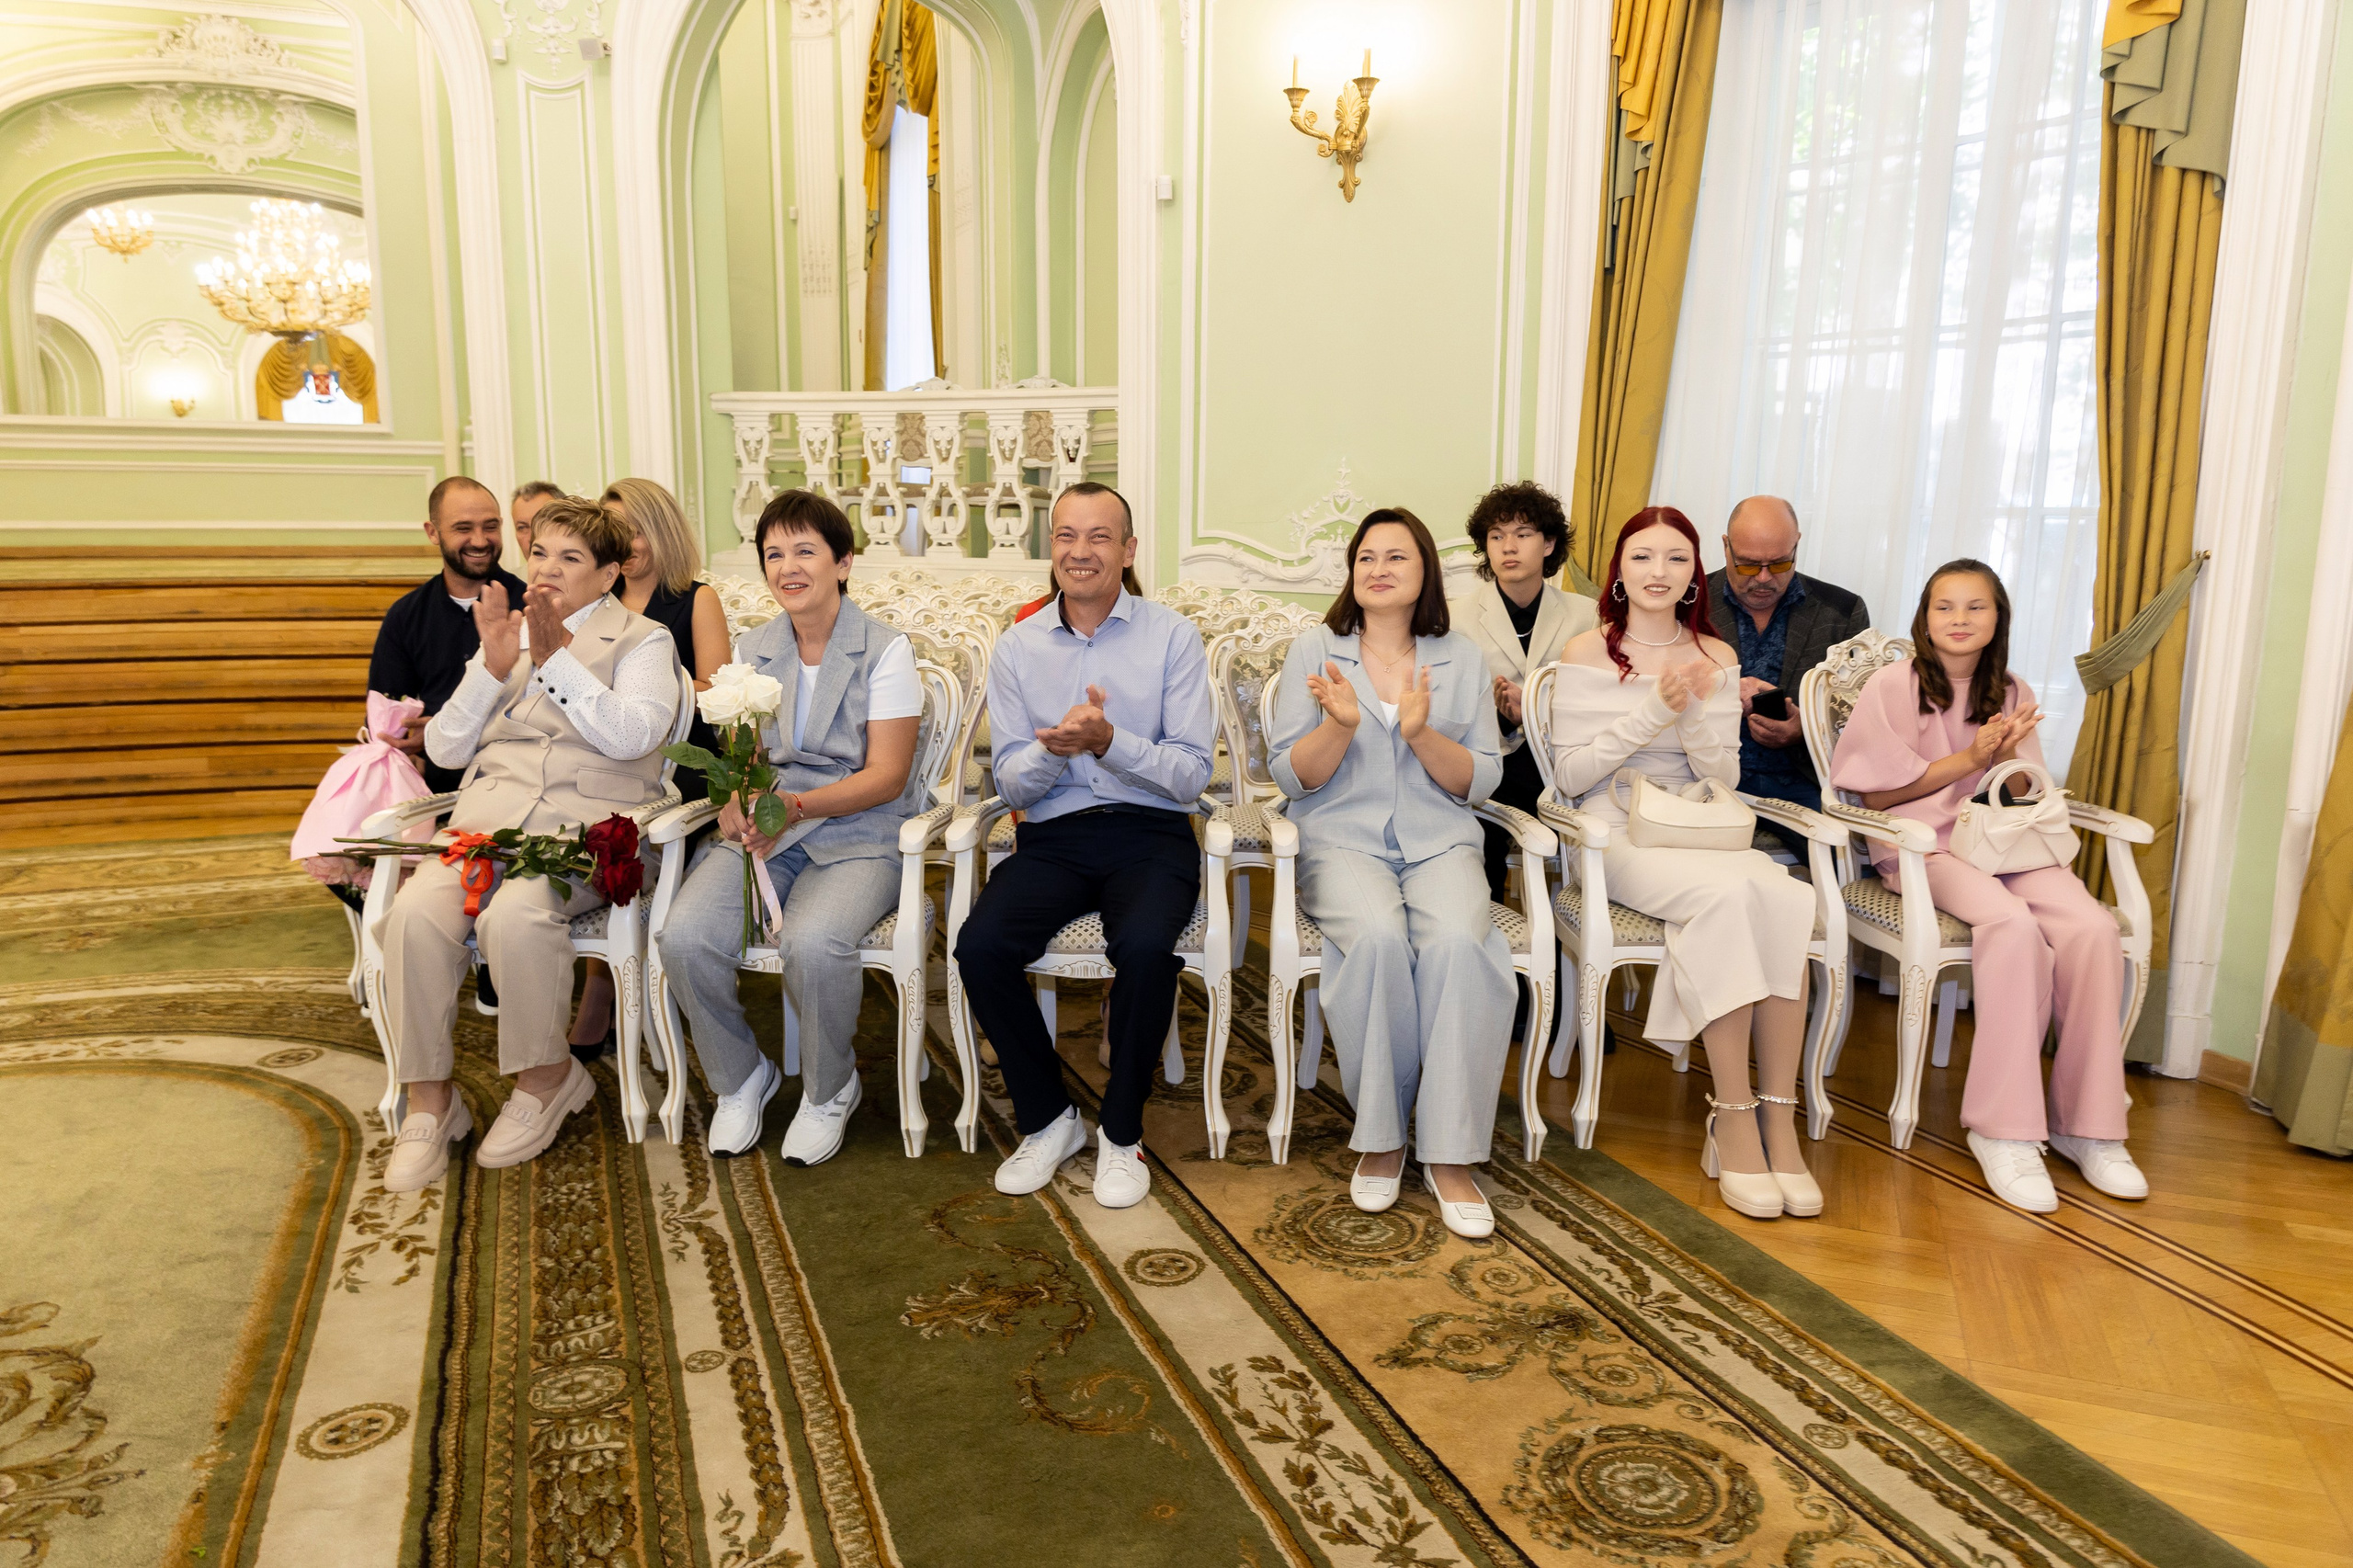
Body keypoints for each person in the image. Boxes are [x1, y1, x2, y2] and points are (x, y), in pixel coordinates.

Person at [378, 497, 683, 1192]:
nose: (547, 570)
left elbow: (636, 736)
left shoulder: (644, 641)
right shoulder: (504, 637)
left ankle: (547, 1077)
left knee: (514, 915)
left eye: (570, 558)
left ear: (608, 575)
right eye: (540, 554)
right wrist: (491, 665)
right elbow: (450, 749)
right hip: (486, 828)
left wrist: (556, 660)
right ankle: (432, 1100)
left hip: (583, 836)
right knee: (415, 916)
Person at [1828, 561, 2140, 1213]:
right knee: (2012, 926)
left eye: (1977, 607)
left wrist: (2009, 759)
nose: (1961, 620)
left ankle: (2090, 1126)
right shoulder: (1895, 685)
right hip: (1922, 846)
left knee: (2092, 929)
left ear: (1998, 618)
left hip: (2004, 843)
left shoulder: (2012, 688)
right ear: (1925, 616)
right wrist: (1968, 759)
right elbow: (1875, 791)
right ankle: (2004, 1130)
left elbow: (2024, 794)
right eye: (1947, 607)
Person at [1550, 506, 1819, 1222]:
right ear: (1620, 571)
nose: (1658, 572)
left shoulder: (1718, 658)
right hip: (1614, 831)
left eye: (1675, 558)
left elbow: (1723, 780)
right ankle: (1730, 1114)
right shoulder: (1585, 653)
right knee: (1732, 903)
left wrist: (1697, 706)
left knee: (1788, 896)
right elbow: (1572, 776)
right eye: (1643, 557)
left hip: (1700, 828)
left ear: (1694, 575)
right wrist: (1653, 712)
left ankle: (1778, 1118)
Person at [952, 482, 1216, 1210]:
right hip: (1053, 836)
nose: (1080, 550)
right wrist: (1057, 753)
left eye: (1100, 537)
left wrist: (1112, 743)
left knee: (1142, 950)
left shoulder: (1171, 637)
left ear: (1128, 551)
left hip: (1150, 833)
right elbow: (1010, 781)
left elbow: (1192, 775)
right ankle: (1049, 1118)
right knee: (980, 947)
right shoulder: (1018, 645)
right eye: (1066, 535)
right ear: (1051, 549)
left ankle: (1122, 1132)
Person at [654, 491, 926, 1165]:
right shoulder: (754, 647)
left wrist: (794, 810)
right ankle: (741, 1078)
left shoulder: (885, 651)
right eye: (774, 553)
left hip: (857, 832)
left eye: (805, 550)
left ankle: (831, 1089)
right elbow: (746, 762)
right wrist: (736, 800)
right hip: (769, 832)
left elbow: (888, 776)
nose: (788, 567)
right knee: (684, 937)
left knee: (814, 941)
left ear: (843, 563)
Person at [1269, 506, 1514, 1240]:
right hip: (1340, 838)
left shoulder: (1460, 656)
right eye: (1366, 556)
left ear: (1424, 574)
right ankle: (1382, 1137)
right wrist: (1340, 725)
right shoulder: (1315, 648)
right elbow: (1290, 774)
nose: (1378, 568)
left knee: (1459, 945)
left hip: (1441, 840)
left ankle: (1450, 1154)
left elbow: (1482, 780)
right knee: (1375, 938)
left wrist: (1420, 734)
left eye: (1397, 557)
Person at [560, 481, 734, 1059]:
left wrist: (650, 691)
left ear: (661, 530)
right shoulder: (591, 608)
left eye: (635, 528)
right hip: (598, 755)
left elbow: (718, 693)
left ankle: (603, 993)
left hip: (676, 765)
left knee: (615, 836)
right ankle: (597, 978)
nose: (625, 542)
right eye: (612, 530)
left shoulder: (694, 599)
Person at [1450, 481, 1598, 894]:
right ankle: (1487, 935)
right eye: (1496, 537)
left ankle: (1560, 946)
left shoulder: (1585, 615)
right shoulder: (1458, 618)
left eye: (1522, 534)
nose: (1507, 547)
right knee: (1479, 835)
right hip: (1492, 758)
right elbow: (1452, 711)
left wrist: (1534, 713)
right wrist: (1504, 717)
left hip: (1559, 760)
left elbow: (1592, 704)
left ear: (1549, 544)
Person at [1703, 497, 1870, 856]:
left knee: (1848, 859)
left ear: (1797, 544)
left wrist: (1805, 730)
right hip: (1706, 781)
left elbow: (1861, 720)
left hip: (1804, 780)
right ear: (1725, 547)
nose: (1764, 579)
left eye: (1779, 563)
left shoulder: (1841, 611)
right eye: (1748, 565)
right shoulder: (1688, 603)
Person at [368, 476, 529, 794]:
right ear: (433, 533)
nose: (480, 541)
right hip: (435, 792)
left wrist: (443, 730)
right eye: (463, 528)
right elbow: (386, 718)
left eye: (491, 526)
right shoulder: (406, 616)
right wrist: (419, 742)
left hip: (521, 785)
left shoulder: (531, 604)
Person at [511, 480, 563, 563]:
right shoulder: (513, 576)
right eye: (522, 527)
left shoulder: (586, 574)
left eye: (542, 524)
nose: (532, 538)